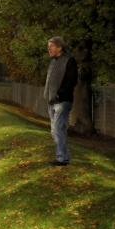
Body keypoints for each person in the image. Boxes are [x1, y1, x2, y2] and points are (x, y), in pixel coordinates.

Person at [43, 36, 78, 166]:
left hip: (62, 101)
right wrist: (48, 95)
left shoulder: (69, 61)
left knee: (58, 129)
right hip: (51, 101)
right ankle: (64, 156)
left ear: (59, 47)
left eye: (51, 46)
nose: (49, 49)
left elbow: (72, 81)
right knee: (55, 130)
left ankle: (62, 158)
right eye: (48, 47)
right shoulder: (53, 61)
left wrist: (59, 95)